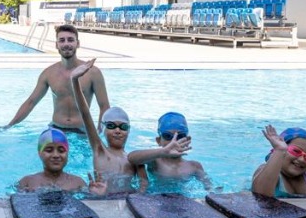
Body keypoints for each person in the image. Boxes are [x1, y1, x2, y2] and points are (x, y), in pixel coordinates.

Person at [4, 24, 108, 132]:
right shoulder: (48, 73)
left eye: (70, 40)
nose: (66, 44)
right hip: (55, 130)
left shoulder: (93, 73)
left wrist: (99, 134)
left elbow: (104, 106)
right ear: (56, 45)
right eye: (62, 40)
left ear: (78, 43)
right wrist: (9, 125)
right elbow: (31, 102)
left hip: (83, 131)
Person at [67, 59, 144, 193]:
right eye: (111, 126)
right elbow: (85, 113)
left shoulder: (134, 159)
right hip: (102, 198)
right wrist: (74, 80)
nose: (118, 130)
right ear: (103, 128)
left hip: (127, 199)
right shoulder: (100, 150)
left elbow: (144, 184)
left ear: (129, 131)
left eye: (123, 127)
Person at [127, 111, 210, 190]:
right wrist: (162, 152)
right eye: (168, 136)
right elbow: (132, 158)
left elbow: (210, 188)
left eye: (180, 136)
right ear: (159, 141)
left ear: (187, 140)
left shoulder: (194, 166)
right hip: (155, 199)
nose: (174, 141)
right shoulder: (155, 161)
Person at [16, 126, 108, 195]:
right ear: (40, 153)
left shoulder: (78, 183)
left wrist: (96, 195)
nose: (56, 155)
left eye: (61, 150)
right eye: (49, 150)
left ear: (67, 153)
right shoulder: (26, 182)